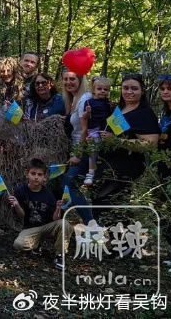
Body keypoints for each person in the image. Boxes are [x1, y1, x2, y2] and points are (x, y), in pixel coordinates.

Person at [83, 74, 159, 221]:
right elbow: (112, 133)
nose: (129, 91)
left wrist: (117, 142)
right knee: (100, 209)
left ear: (142, 91)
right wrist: (96, 139)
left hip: (124, 169)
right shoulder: (119, 108)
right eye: (126, 88)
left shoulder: (145, 113)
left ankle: (120, 236)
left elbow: (150, 144)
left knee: (113, 210)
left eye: (134, 88)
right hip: (106, 166)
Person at [8, 158, 73, 270]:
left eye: (39, 174)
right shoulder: (20, 191)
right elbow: (22, 215)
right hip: (30, 229)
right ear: (27, 174)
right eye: (33, 173)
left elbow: (55, 219)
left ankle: (59, 255)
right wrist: (17, 204)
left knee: (65, 224)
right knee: (18, 245)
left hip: (46, 227)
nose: (36, 177)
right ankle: (36, 244)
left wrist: (58, 209)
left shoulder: (49, 194)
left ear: (44, 177)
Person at [60, 68, 93, 223]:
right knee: (67, 184)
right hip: (75, 148)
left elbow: (86, 130)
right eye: (65, 79)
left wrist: (78, 154)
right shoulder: (73, 99)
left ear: (80, 80)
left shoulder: (85, 98)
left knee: (69, 184)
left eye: (72, 79)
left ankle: (91, 224)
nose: (68, 82)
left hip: (85, 149)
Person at [78, 76, 112, 185]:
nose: (102, 91)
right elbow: (84, 117)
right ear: (93, 90)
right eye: (99, 89)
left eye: (105, 89)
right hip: (93, 129)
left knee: (103, 150)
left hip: (105, 129)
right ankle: (90, 173)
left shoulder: (107, 103)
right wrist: (87, 112)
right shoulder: (89, 102)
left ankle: (101, 172)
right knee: (93, 149)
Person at [157, 74, 171, 267]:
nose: (165, 92)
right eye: (162, 88)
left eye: (170, 88)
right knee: (163, 212)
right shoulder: (166, 113)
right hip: (163, 168)